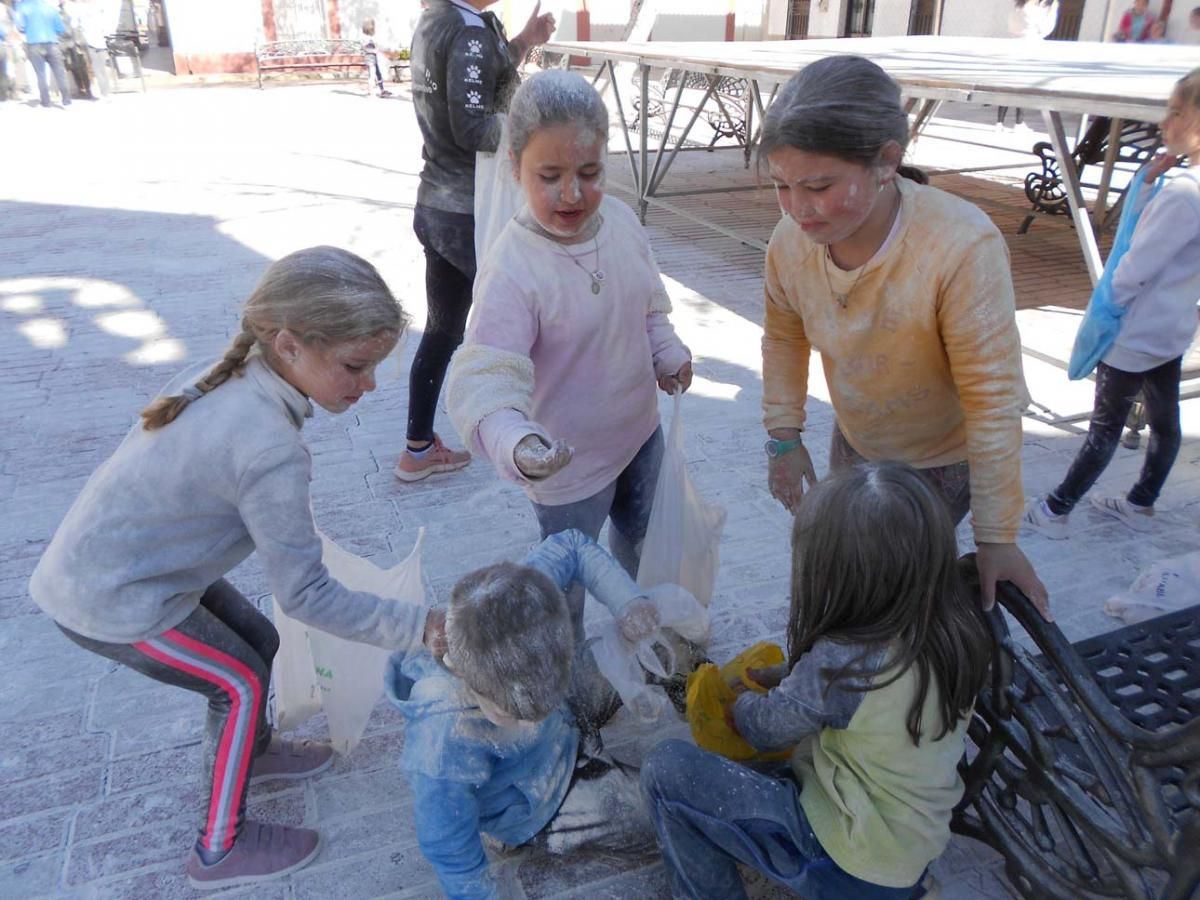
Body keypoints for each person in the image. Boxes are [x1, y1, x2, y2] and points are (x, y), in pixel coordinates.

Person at [28, 247, 447, 890]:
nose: (368, 387)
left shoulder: (238, 375)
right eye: (356, 367)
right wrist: (422, 627)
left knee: (261, 641)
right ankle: (219, 848)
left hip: (128, 571)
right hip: (112, 601)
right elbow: (307, 594)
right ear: (288, 346)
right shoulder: (270, 447)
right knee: (241, 683)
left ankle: (251, 753)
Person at [758, 55, 1049, 618]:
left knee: (897, 594)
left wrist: (997, 537)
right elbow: (783, 338)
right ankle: (827, 673)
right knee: (842, 569)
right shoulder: (789, 244)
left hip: (942, 463)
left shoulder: (960, 247)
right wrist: (785, 438)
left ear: (887, 161)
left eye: (818, 185)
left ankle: (891, 688)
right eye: (781, 186)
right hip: (857, 440)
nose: (798, 208)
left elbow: (993, 402)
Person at [641, 461, 991, 900]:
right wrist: (782, 675)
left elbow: (762, 730)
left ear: (843, 577)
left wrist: (741, 704)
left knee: (667, 770)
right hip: (908, 845)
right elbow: (847, 695)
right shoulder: (954, 625)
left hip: (849, 861)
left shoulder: (841, 662)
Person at [446, 70, 693, 658]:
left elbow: (648, 305)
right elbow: (486, 377)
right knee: (573, 587)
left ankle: (649, 648)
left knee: (646, 550)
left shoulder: (625, 224)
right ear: (515, 168)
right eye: (549, 177)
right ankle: (577, 688)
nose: (572, 196)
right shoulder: (514, 266)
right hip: (566, 468)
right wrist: (519, 444)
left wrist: (667, 350)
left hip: (639, 436)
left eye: (589, 174)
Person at [387, 529, 658, 900]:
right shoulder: (442, 737)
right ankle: (519, 832)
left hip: (564, 710)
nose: (530, 722)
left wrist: (629, 603)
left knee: (655, 646)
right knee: (661, 818)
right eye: (511, 713)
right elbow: (449, 848)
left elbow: (572, 544)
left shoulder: (515, 600)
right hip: (541, 798)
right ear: (471, 681)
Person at [1023, 68, 1200, 540]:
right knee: (1165, 421)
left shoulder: (1183, 193)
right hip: (1173, 329)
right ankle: (1142, 501)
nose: (1166, 121)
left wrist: (1106, 314)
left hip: (1134, 333)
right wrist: (1148, 180)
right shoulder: (1190, 185)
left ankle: (1056, 510)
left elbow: (1134, 265)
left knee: (1104, 430)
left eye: (1177, 112)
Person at [397, 0, 556, 481]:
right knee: (526, 322)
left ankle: (418, 447)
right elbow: (472, 127)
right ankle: (537, 435)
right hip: (473, 213)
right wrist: (539, 129)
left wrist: (524, 41)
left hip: (440, 204)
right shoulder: (467, 30)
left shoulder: (443, 19)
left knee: (443, 331)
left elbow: (474, 84)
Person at [996, 0, 1058, 129]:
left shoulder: (1019, 5)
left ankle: (1000, 122)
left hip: (1014, 45)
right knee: (1024, 86)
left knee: (1008, 85)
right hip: (1031, 47)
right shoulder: (1044, 6)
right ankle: (1019, 122)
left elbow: (1011, 25)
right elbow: (1046, 28)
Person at [14, 0, 71, 107]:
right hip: (52, 42)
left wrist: (29, 29)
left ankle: (46, 102)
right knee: (60, 73)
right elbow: (60, 28)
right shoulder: (50, 7)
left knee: (40, 74)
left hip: (34, 43)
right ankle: (66, 101)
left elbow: (20, 26)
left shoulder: (22, 6)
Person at [360, 16, 390, 98]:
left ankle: (382, 90)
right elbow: (364, 48)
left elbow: (375, 45)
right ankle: (371, 92)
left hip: (374, 57)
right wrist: (373, 50)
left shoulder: (370, 36)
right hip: (369, 58)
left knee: (378, 73)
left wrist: (377, 48)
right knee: (372, 75)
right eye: (373, 25)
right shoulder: (364, 37)